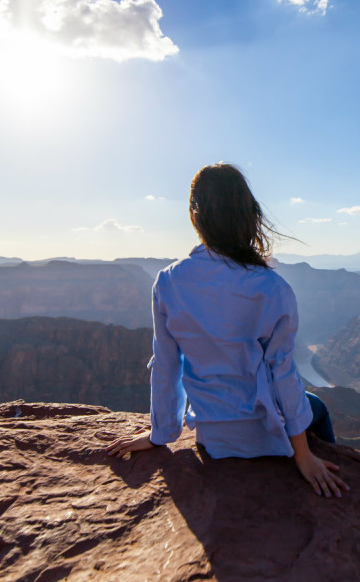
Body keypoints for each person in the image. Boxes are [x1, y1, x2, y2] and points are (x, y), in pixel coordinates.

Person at [105, 163, 347, 497]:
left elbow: (166, 366)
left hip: (213, 438)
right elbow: (284, 374)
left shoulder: (168, 282)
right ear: (249, 215)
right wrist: (303, 457)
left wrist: (158, 435)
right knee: (317, 406)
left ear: (196, 216)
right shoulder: (272, 288)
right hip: (269, 434)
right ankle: (330, 466)